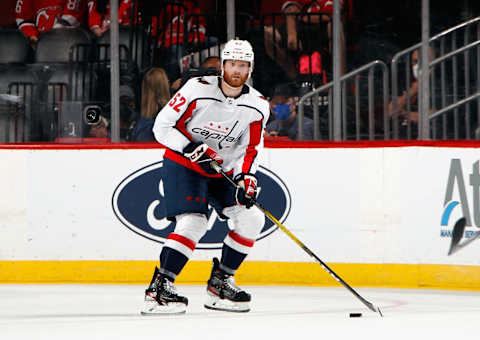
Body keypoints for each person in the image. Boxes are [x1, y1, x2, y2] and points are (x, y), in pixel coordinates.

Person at [143, 39, 269, 314]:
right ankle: (159, 289)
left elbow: (251, 147)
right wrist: (190, 148)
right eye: (233, 64)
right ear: (223, 65)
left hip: (220, 170)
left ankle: (220, 282)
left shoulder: (257, 105)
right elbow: (162, 127)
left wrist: (246, 177)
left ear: (250, 69)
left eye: (243, 65)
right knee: (194, 222)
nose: (237, 70)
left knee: (252, 217)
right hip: (184, 164)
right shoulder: (197, 90)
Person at [15, 0, 87, 48]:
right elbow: (23, 19)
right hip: (38, 46)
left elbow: (69, 18)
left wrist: (49, 41)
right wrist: (32, 36)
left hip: (66, 44)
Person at [130, 68, 170, 142]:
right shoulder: (169, 114)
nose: (168, 82)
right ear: (164, 86)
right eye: (167, 80)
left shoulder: (140, 120)